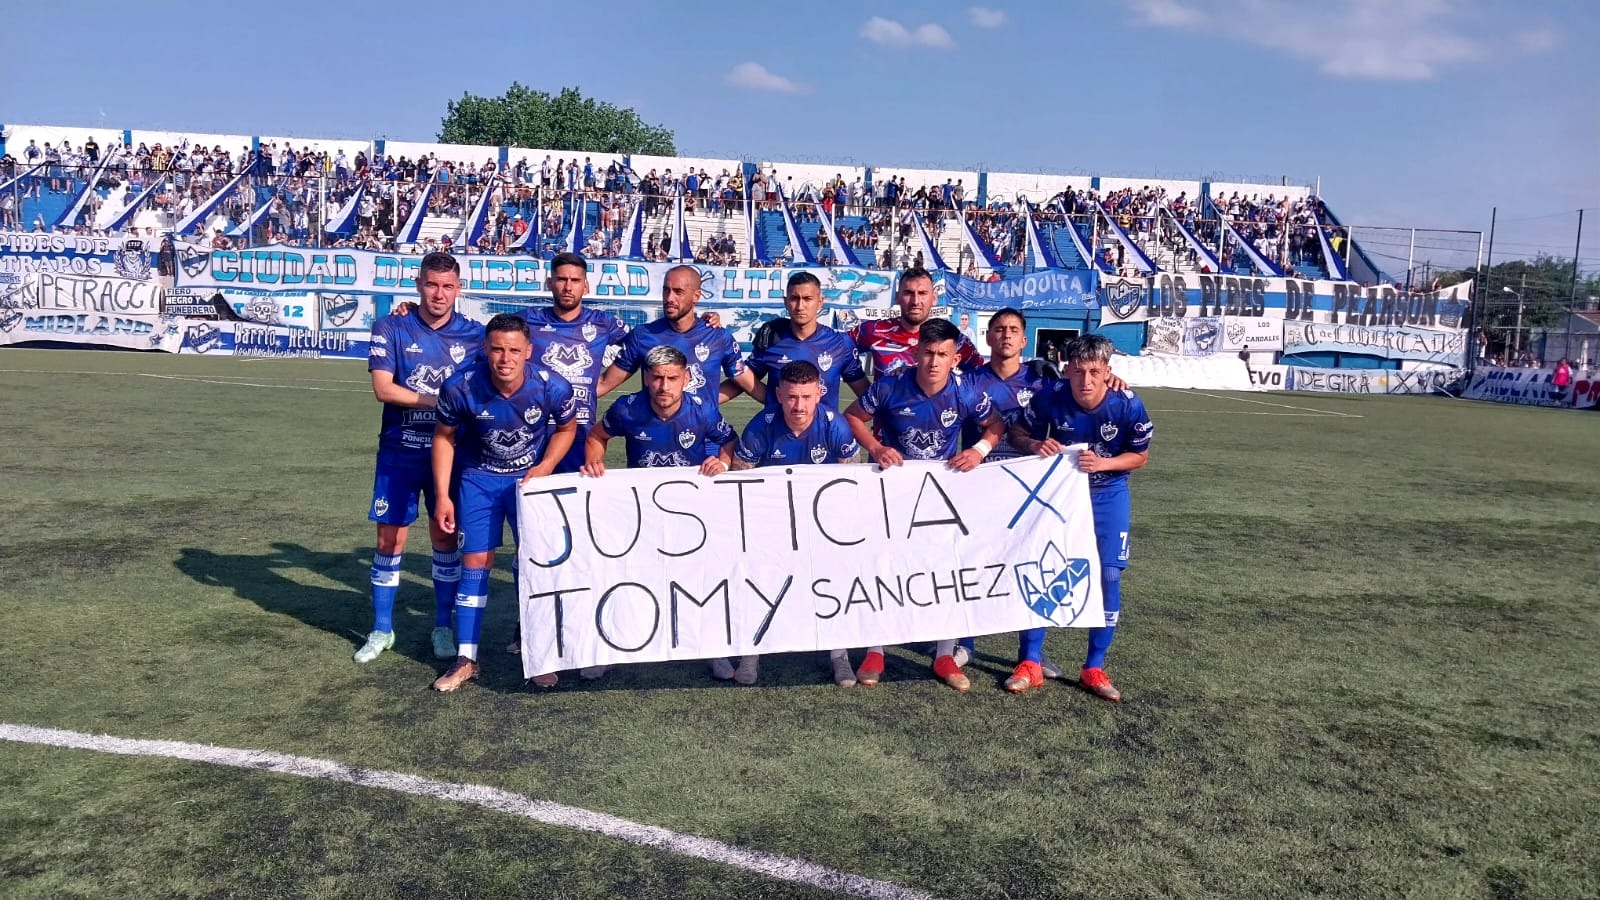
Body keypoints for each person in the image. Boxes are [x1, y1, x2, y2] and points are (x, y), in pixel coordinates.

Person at [842, 318, 1006, 692]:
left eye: (943, 355)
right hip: (893, 491)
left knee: (945, 571)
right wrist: (877, 448)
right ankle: (875, 650)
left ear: (953, 358)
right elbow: (853, 415)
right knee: (884, 566)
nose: (934, 361)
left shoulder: (964, 391)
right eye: (928, 353)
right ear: (916, 352)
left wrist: (979, 451)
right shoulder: (890, 385)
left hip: (941, 494)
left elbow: (995, 425)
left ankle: (945, 654)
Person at [430, 314, 578, 691]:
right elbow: (444, 438)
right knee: (476, 561)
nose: (505, 358)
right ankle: (466, 658)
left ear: (528, 351)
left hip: (528, 481)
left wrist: (546, 465)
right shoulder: (460, 387)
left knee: (533, 562)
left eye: (514, 350)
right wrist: (444, 495)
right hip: (478, 478)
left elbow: (567, 428)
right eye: (497, 349)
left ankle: (537, 652)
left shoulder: (551, 386)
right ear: (486, 349)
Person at [354, 252, 486, 666]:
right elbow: (383, 388)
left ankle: (442, 625)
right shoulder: (392, 326)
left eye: (448, 286)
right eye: (432, 285)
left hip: (450, 455)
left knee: (445, 539)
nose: (439, 294)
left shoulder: (476, 336)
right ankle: (381, 628)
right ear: (418, 284)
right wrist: (442, 400)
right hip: (400, 450)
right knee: (390, 539)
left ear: (459, 289)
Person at [1011, 334, 1152, 701]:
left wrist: (1104, 464)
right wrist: (1035, 444)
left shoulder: (1127, 405)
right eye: (1079, 371)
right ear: (1068, 369)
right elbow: (1019, 431)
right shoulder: (1050, 397)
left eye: (1094, 371)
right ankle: (1030, 662)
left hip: (1108, 496)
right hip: (1060, 498)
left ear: (1107, 371)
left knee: (1108, 575)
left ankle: (1093, 667)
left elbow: (1140, 456)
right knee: (1041, 568)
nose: (1086, 380)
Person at [581, 345, 736, 680]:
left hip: (690, 512)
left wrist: (722, 462)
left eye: (672, 378)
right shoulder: (627, 408)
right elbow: (597, 434)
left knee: (699, 579)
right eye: (656, 378)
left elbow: (729, 441)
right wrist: (595, 459)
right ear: (645, 379)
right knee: (627, 577)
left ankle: (713, 649)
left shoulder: (702, 410)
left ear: (686, 378)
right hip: (641, 512)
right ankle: (611, 648)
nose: (664, 386)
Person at [729, 360, 862, 686]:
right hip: (773, 522)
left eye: (805, 397)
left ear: (819, 393)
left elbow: (853, 476)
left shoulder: (835, 424)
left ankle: (838, 654)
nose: (798, 405)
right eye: (791, 397)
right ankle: (751, 652)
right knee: (761, 582)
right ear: (779, 394)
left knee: (832, 583)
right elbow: (738, 476)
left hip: (822, 522)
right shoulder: (762, 425)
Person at [726, 271, 868, 412]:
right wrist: (771, 399)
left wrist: (847, 425)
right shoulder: (771, 340)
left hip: (824, 434)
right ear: (786, 302)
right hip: (780, 433)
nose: (800, 306)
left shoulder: (840, 344)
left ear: (820, 302)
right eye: (794, 298)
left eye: (807, 299)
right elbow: (743, 378)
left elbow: (866, 393)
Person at [852, 266, 983, 381]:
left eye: (922, 293)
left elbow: (981, 378)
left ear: (934, 299)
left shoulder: (954, 339)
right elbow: (838, 349)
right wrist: (862, 388)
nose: (915, 301)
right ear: (897, 298)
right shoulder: (874, 330)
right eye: (908, 293)